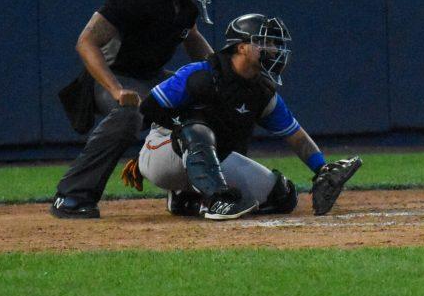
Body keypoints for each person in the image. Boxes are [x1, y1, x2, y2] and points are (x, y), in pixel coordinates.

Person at [122, 13, 364, 219]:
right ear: (241, 46)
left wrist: (321, 169)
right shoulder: (201, 75)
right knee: (197, 129)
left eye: (275, 44)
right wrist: (140, 155)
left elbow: (296, 136)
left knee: (282, 197)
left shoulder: (261, 91)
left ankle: (188, 201)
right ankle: (217, 200)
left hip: (215, 160)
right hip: (165, 155)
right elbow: (147, 111)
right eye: (265, 42)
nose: (274, 49)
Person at [49, 0, 218, 219]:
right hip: (113, 75)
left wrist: (220, 72)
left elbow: (191, 37)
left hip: (150, 77)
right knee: (130, 114)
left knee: (203, 104)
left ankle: (183, 191)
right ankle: (72, 194)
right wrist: (115, 90)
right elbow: (86, 42)